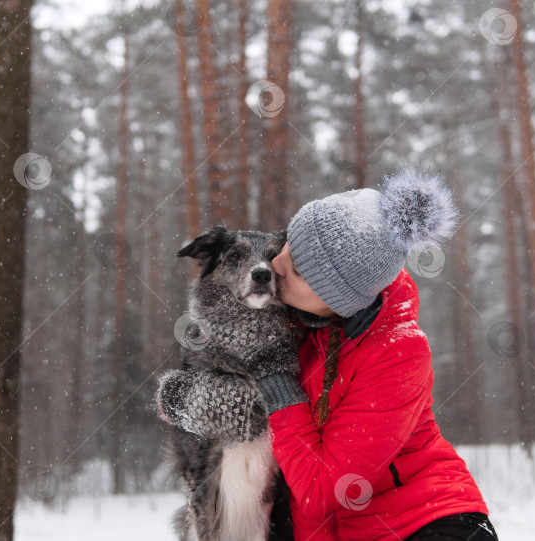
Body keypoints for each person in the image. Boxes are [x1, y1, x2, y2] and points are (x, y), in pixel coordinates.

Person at [157, 166, 499, 541]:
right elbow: (226, 404)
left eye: (298, 270)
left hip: (423, 520)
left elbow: (322, 488)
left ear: (334, 298)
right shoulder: (290, 319)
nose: (275, 267)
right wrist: (181, 396)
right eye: (288, 249)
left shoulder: (399, 351)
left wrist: (273, 378)